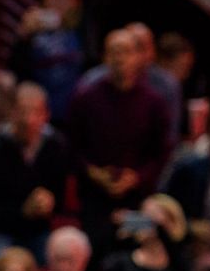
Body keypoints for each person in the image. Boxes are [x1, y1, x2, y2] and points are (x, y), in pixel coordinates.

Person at [67, 30, 171, 255]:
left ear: (138, 57)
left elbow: (161, 154)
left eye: (125, 52)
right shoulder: (85, 98)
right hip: (95, 198)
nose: (119, 59)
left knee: (134, 253)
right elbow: (72, 147)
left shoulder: (155, 104)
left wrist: (137, 178)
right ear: (104, 57)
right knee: (93, 254)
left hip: (136, 198)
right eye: (113, 52)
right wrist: (92, 172)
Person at [0, 83, 69, 260]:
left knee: (59, 257)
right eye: (22, 111)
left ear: (46, 115)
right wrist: (22, 212)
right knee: (3, 263)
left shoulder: (55, 147)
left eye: (35, 112)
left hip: (38, 232)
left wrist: (49, 203)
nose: (28, 119)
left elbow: (61, 199)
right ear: (12, 112)